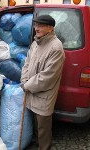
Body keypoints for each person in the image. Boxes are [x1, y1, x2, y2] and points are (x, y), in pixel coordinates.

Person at [21, 15, 65, 150]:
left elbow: (48, 77)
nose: (36, 28)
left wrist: (27, 85)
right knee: (34, 122)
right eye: (36, 25)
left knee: (43, 125)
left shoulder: (56, 47)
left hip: (44, 93)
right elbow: (26, 64)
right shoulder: (35, 43)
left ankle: (44, 147)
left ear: (51, 28)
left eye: (41, 25)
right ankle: (36, 143)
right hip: (31, 89)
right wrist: (23, 79)